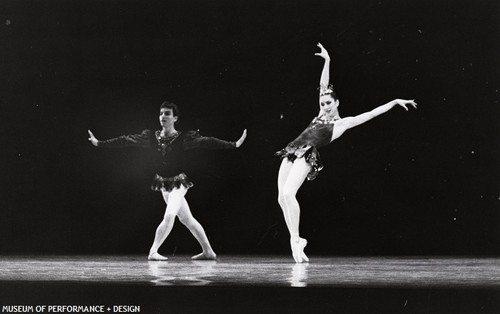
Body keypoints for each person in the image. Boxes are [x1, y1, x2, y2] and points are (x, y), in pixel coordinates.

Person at [276, 43, 417, 263]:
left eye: (329, 103)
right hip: (292, 150)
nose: (325, 106)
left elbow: (370, 114)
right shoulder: (320, 113)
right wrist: (327, 60)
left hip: (306, 156)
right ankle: (296, 241)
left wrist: (395, 102)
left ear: (337, 102)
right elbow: (323, 84)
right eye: (323, 103)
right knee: (280, 198)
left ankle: (296, 239)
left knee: (288, 194)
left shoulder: (341, 124)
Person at [88, 101, 247, 261]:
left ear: (175, 118)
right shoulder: (150, 136)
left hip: (179, 182)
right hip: (163, 183)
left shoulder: (185, 137)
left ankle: (153, 251)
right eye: (161, 113)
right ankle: (208, 252)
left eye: (167, 113)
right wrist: (99, 143)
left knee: (169, 214)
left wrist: (233, 144)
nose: (163, 116)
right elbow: (126, 140)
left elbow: (207, 141)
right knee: (187, 219)